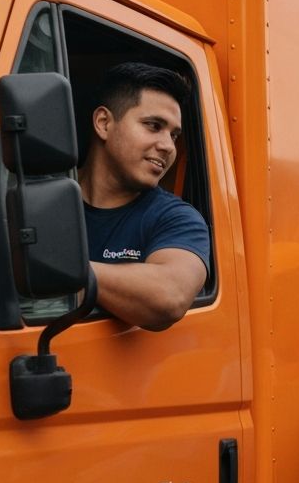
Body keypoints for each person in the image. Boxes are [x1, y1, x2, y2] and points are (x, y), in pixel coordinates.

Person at [79, 62, 210, 331]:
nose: (169, 146)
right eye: (153, 126)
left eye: (174, 135)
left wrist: (65, 272)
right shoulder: (34, 198)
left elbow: (170, 296)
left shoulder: (178, 219)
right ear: (103, 123)